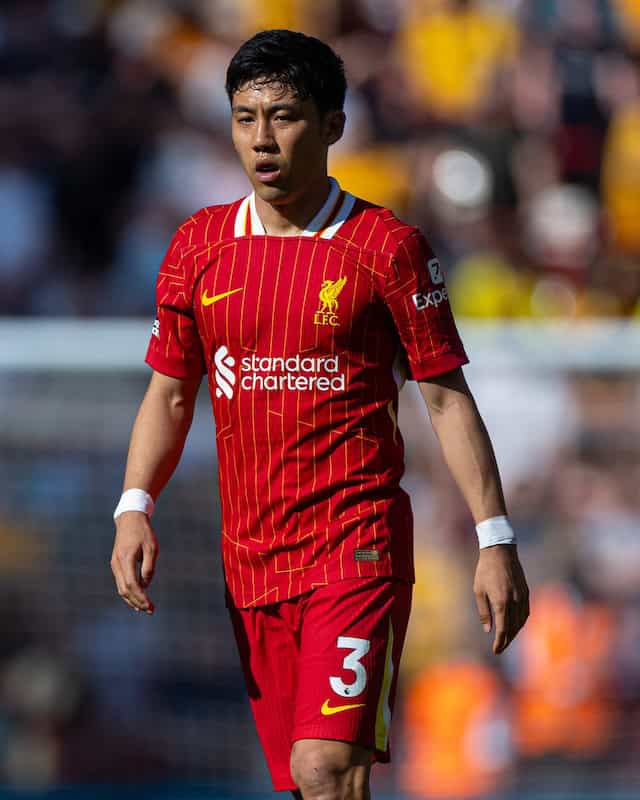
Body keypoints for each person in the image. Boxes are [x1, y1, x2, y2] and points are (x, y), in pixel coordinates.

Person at [110, 29, 530, 800]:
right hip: (253, 561)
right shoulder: (197, 248)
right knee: (311, 786)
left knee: (324, 766)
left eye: (285, 116)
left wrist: (494, 538)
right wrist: (135, 506)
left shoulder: (387, 248)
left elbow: (443, 396)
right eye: (245, 118)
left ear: (334, 124)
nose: (262, 140)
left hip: (357, 546)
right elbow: (170, 394)